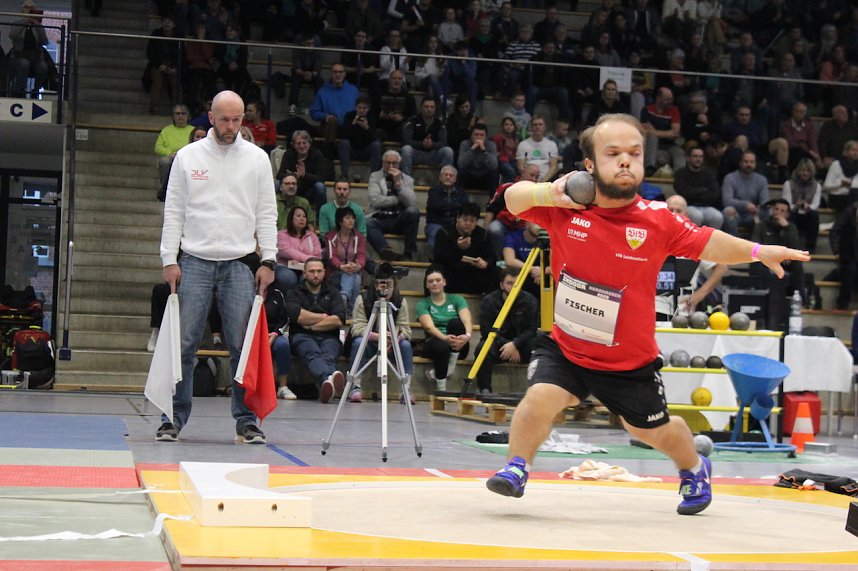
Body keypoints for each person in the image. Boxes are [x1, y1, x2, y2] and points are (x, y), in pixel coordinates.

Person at [484, 113, 808, 515]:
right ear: (589, 166)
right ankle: (517, 467)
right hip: (567, 347)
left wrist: (759, 252)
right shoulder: (564, 208)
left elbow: (708, 242)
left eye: (634, 154)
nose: (625, 161)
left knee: (648, 429)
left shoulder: (656, 219)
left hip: (627, 361)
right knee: (539, 398)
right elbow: (513, 199)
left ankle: (694, 467)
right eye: (613, 153)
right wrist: (550, 191)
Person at [158, 90, 277, 445]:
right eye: (224, 119)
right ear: (210, 117)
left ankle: (246, 420)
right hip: (193, 259)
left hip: (240, 262)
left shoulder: (257, 159)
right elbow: (174, 210)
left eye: (237, 120)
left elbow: (267, 213)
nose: (230, 126)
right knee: (184, 344)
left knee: (243, 345)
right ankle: (172, 418)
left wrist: (268, 259)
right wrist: (169, 258)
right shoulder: (187, 157)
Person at [348, 263, 414, 404]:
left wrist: (395, 339)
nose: (385, 287)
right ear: (375, 284)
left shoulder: (400, 302)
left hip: (392, 345)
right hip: (370, 343)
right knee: (358, 342)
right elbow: (357, 327)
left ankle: (406, 389)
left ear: (394, 284)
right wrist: (378, 337)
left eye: (388, 283)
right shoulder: (363, 299)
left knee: (406, 345)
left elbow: (406, 329)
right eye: (381, 283)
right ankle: (356, 386)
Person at [284, 258, 347, 403]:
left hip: (329, 337)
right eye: (312, 271)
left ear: (324, 272)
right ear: (305, 273)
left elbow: (338, 320)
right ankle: (329, 378)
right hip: (302, 336)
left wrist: (311, 325)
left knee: (328, 356)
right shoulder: (294, 292)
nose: (316, 275)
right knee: (311, 353)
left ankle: (327, 383)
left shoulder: (334, 293)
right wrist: (323, 317)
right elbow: (297, 316)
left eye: (319, 271)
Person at [474, 267, 538, 394]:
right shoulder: (489, 301)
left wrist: (515, 344)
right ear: (501, 285)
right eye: (509, 283)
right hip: (498, 344)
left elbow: (531, 329)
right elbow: (486, 330)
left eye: (516, 283)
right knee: (482, 348)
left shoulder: (530, 300)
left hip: (522, 345)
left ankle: (538, 391)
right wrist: (506, 344)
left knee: (540, 346)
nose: (513, 287)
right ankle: (485, 390)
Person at [416, 266, 473, 392]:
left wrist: (467, 336)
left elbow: (466, 320)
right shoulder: (423, 304)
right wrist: (445, 339)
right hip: (435, 342)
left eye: (438, 280)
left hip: (459, 344)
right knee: (441, 346)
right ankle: (441, 390)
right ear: (427, 285)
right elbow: (429, 327)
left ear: (444, 282)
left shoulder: (456, 299)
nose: (435, 283)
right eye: (431, 281)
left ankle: (451, 367)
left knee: (456, 323)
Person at [366, 150, 420, 261]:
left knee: (413, 212)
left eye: (394, 163)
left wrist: (399, 184)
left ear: (399, 164)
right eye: (387, 163)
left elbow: (411, 203)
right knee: (366, 221)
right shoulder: (375, 177)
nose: (391, 166)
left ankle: (409, 253)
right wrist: (398, 199)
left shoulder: (408, 179)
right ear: (382, 163)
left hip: (399, 219)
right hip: (379, 218)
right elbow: (376, 200)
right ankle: (386, 251)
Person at [433, 202, 498, 294]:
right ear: (458, 218)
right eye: (465, 219)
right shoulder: (444, 232)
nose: (468, 223)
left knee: (496, 271)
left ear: (476, 222)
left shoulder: (483, 235)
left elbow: (492, 257)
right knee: (434, 269)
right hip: (451, 275)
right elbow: (439, 257)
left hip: (473, 275)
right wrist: (458, 248)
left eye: (472, 221)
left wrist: (485, 263)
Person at [485, 162, 540, 256]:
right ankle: (500, 259)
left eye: (537, 177)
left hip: (524, 227)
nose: (534, 179)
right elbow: (492, 208)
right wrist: (485, 230)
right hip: (504, 224)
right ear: (523, 172)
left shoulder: (538, 192)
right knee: (494, 228)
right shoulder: (507, 187)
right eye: (531, 175)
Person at [274, 130, 332, 216]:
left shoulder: (317, 155)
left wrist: (304, 175)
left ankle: (320, 219)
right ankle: (273, 214)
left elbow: (321, 178)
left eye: (304, 143)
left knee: (320, 187)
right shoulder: (289, 154)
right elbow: (279, 175)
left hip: (309, 192)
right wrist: (293, 176)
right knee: (277, 183)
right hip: (291, 189)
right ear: (293, 145)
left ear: (309, 143)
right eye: (298, 143)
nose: (302, 146)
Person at [324, 206, 367, 313]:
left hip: (353, 271)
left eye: (352, 218)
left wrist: (358, 265)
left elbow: (362, 255)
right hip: (335, 273)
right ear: (340, 221)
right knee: (353, 276)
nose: (351, 220)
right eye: (347, 218)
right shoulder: (330, 237)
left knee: (355, 277)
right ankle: (353, 310)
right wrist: (341, 266)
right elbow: (331, 257)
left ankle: (344, 298)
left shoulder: (359, 237)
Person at [310, 63, 359, 150]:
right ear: (331, 73)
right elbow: (314, 112)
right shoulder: (322, 91)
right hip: (330, 127)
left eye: (340, 72)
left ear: (345, 74)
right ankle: (329, 151)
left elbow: (360, 109)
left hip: (348, 126)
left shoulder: (353, 90)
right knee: (332, 122)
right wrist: (325, 116)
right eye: (335, 72)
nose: (337, 75)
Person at [721, 150, 770, 237]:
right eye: (746, 161)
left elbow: (765, 201)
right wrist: (746, 205)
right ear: (740, 163)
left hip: (753, 214)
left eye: (751, 162)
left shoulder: (762, 180)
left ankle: (761, 246)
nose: (749, 164)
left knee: (768, 212)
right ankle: (733, 244)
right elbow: (727, 200)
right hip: (736, 213)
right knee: (727, 211)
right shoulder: (730, 178)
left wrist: (761, 206)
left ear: (755, 164)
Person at [400, 97, 454, 176]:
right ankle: (406, 179)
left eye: (432, 107)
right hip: (416, 153)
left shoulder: (439, 123)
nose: (429, 109)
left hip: (432, 155)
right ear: (421, 107)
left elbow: (444, 143)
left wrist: (432, 145)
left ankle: (444, 180)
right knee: (406, 149)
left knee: (448, 151)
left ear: (435, 109)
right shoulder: (412, 121)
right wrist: (422, 144)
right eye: (426, 106)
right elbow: (406, 141)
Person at [672, 146, 723, 229]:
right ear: (688, 158)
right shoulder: (680, 174)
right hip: (689, 206)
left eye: (700, 157)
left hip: (707, 206)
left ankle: (711, 241)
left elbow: (714, 194)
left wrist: (695, 192)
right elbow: (684, 193)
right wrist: (703, 191)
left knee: (717, 217)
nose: (698, 159)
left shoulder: (709, 174)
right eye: (695, 156)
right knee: (697, 216)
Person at [8, 0, 49, 99]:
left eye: (32, 8)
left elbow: (45, 41)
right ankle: (19, 90)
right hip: (18, 57)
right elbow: (12, 35)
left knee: (43, 67)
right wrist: (25, 21)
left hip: (35, 58)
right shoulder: (16, 23)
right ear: (22, 10)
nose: (29, 9)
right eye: (27, 7)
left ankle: (36, 91)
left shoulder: (37, 26)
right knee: (24, 64)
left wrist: (37, 25)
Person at [276, 205, 322, 290]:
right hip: (285, 266)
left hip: (307, 268)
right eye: (298, 216)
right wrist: (309, 259)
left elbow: (318, 256)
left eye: (304, 216)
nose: (302, 219)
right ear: (291, 218)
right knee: (288, 278)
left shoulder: (312, 236)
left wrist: (301, 261)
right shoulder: (282, 234)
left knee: (309, 278)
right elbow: (285, 251)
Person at [780, 158, 821, 253]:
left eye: (808, 171)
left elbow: (815, 204)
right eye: (803, 170)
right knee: (790, 217)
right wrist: (796, 206)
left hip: (807, 215)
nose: (805, 173)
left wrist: (808, 207)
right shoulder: (789, 184)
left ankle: (810, 248)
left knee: (814, 216)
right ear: (798, 171)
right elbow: (786, 203)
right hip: (793, 213)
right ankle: (791, 246)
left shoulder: (816, 186)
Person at [155, 104, 195, 198]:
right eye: (177, 114)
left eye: (183, 113)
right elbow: (158, 147)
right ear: (173, 116)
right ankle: (165, 192)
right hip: (172, 158)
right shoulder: (166, 131)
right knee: (164, 161)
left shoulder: (193, 130)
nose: (180, 116)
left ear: (188, 116)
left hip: (189, 158)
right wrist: (169, 153)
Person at [265, 284, 297, 400]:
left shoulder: (277, 293)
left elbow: (283, 319)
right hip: (252, 334)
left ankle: (283, 387)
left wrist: (275, 333)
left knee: (282, 345)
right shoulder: (246, 291)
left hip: (273, 333)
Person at [338, 95, 381, 180]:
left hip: (366, 151)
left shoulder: (372, 117)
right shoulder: (349, 116)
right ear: (355, 107)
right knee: (344, 143)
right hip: (352, 151)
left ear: (368, 109)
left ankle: (374, 177)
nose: (361, 110)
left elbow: (374, 138)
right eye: (359, 107)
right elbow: (344, 136)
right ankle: (344, 175)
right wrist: (353, 124)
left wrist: (366, 128)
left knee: (376, 145)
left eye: (364, 108)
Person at [425, 165, 470, 247]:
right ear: (440, 178)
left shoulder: (462, 192)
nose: (448, 177)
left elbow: (465, 209)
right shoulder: (433, 191)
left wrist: (446, 206)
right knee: (435, 233)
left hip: (455, 224)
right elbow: (436, 206)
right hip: (436, 223)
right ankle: (431, 259)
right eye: (445, 175)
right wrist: (456, 206)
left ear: (455, 179)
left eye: (451, 175)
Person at [457, 124, 499, 196]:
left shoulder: (491, 145)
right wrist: (472, 149)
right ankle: (460, 201)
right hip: (469, 177)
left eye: (482, 135)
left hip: (484, 178)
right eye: (476, 134)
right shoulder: (465, 144)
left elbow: (494, 166)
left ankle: (492, 202)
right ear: (471, 136)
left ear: (485, 137)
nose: (479, 137)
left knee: (494, 174)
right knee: (460, 173)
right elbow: (460, 164)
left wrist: (484, 151)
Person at [516, 115, 558, 182]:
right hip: (528, 180)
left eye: (540, 124)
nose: (538, 127)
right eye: (535, 125)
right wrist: (532, 180)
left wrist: (543, 181)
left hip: (547, 180)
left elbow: (553, 167)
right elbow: (521, 167)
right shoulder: (522, 145)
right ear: (531, 127)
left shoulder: (552, 145)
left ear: (544, 127)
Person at [822, 140, 858, 212]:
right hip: (837, 197)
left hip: (852, 196)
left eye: (857, 151)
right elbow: (826, 186)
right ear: (846, 151)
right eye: (853, 150)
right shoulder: (836, 165)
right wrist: (840, 185)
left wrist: (851, 185)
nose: (856, 153)